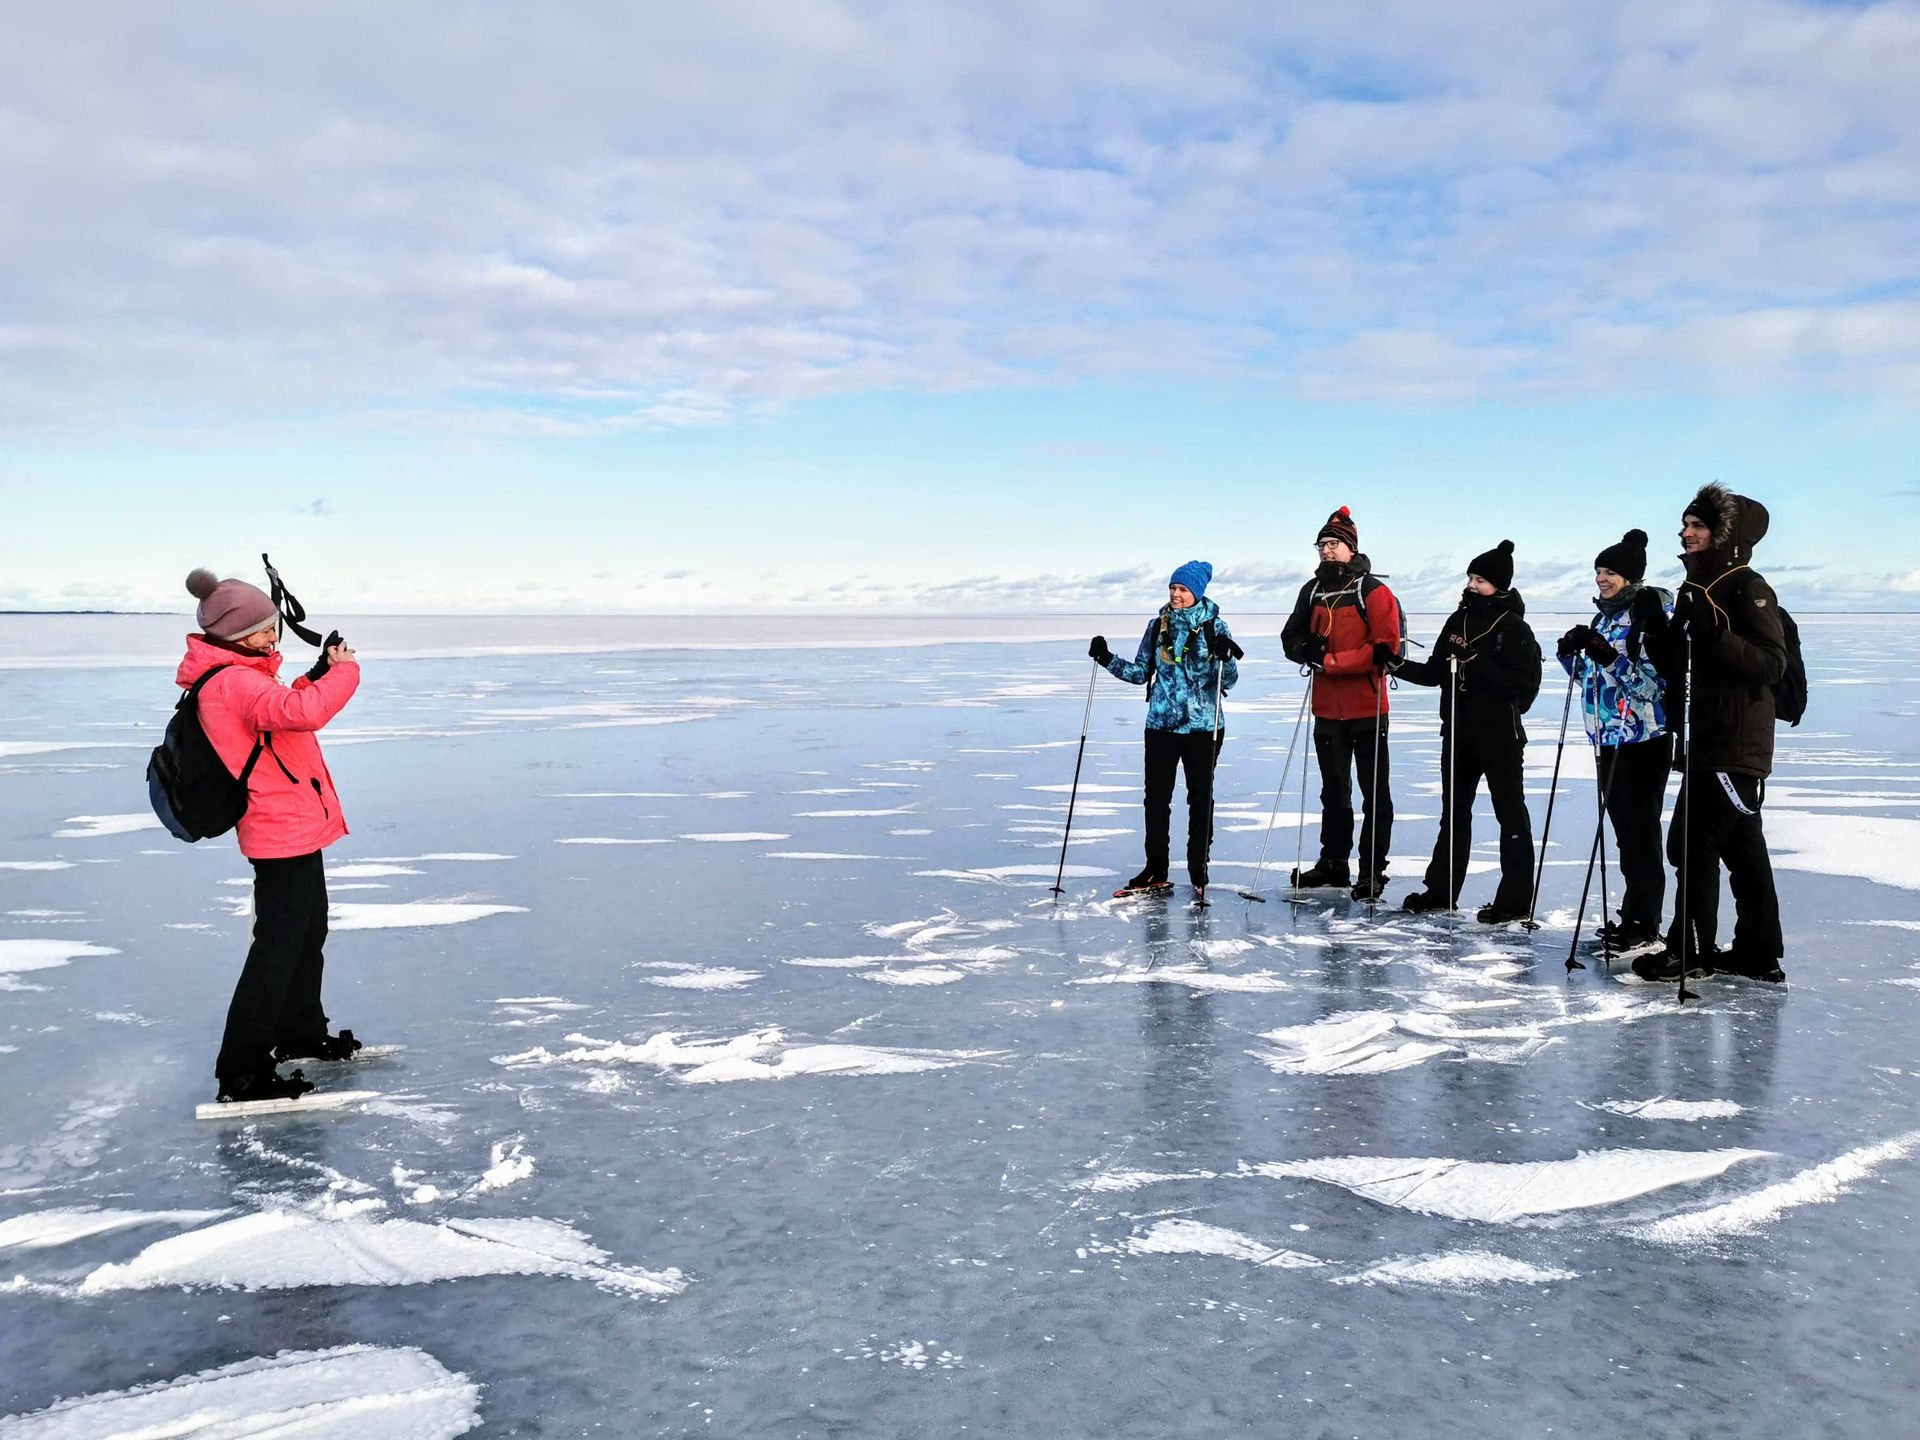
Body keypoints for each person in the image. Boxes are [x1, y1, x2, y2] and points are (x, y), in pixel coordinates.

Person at [177, 567, 362, 1103]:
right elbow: (302, 713)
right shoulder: (233, 681)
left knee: (306, 937)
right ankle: (242, 1072)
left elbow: (278, 714)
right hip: (278, 829)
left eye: (272, 626)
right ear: (234, 636)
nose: (272, 636)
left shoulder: (242, 674)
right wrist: (344, 674)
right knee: (277, 950)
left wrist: (315, 670)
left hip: (297, 826)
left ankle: (299, 1035)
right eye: (262, 630)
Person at [1634, 486, 1788, 983]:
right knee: (1742, 849)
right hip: (1706, 740)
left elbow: (1771, 663)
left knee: (1689, 845)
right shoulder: (1697, 589)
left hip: (1733, 742)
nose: (1685, 533)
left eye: (1697, 526)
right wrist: (1658, 632)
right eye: (1685, 525)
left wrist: (1714, 635)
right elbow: (1681, 665)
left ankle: (1690, 951)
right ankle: (1758, 952)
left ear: (1723, 535)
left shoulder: (1747, 586)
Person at [1386, 539, 1542, 923]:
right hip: (1457, 732)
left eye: (1481, 580)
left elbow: (1523, 687)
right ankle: (1441, 892)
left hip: (1501, 737)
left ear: (1499, 586)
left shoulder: (1515, 628)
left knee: (1511, 816)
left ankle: (1514, 901)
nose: (1472, 585)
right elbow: (1435, 673)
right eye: (1471, 577)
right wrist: (1395, 664)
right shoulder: (1458, 621)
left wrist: (1480, 665)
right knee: (1453, 814)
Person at [1089, 562, 1242, 902]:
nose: (1176, 594)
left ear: (1197, 592)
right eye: (1173, 588)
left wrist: (1225, 657)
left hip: (1203, 727)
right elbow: (1140, 672)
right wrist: (1107, 658)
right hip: (1160, 726)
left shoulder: (1216, 626)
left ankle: (1198, 870)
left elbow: (1227, 681)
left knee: (1200, 799)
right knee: (1155, 800)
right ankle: (1155, 869)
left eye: (1183, 589)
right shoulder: (1157, 626)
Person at [1555, 530, 1674, 951]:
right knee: (1624, 831)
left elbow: (1654, 687)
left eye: (1610, 573)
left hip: (1644, 737)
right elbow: (1591, 680)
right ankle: (1633, 916)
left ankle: (1644, 923)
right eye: (1599, 572)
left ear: (1631, 576)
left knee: (1640, 831)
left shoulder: (1651, 613)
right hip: (1608, 736)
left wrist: (1606, 655)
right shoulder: (1604, 616)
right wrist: (1570, 653)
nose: (1601, 579)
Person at [1279, 506, 1402, 901]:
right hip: (1327, 710)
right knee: (1333, 791)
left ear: (1351, 548)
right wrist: (1304, 649)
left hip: (1368, 708)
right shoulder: (1311, 591)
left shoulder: (1374, 591)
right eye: (1322, 545)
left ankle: (1371, 870)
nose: (1326, 551)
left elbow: (1386, 648)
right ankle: (1334, 864)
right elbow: (1290, 637)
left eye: (1334, 544)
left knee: (1374, 792)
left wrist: (1328, 661)